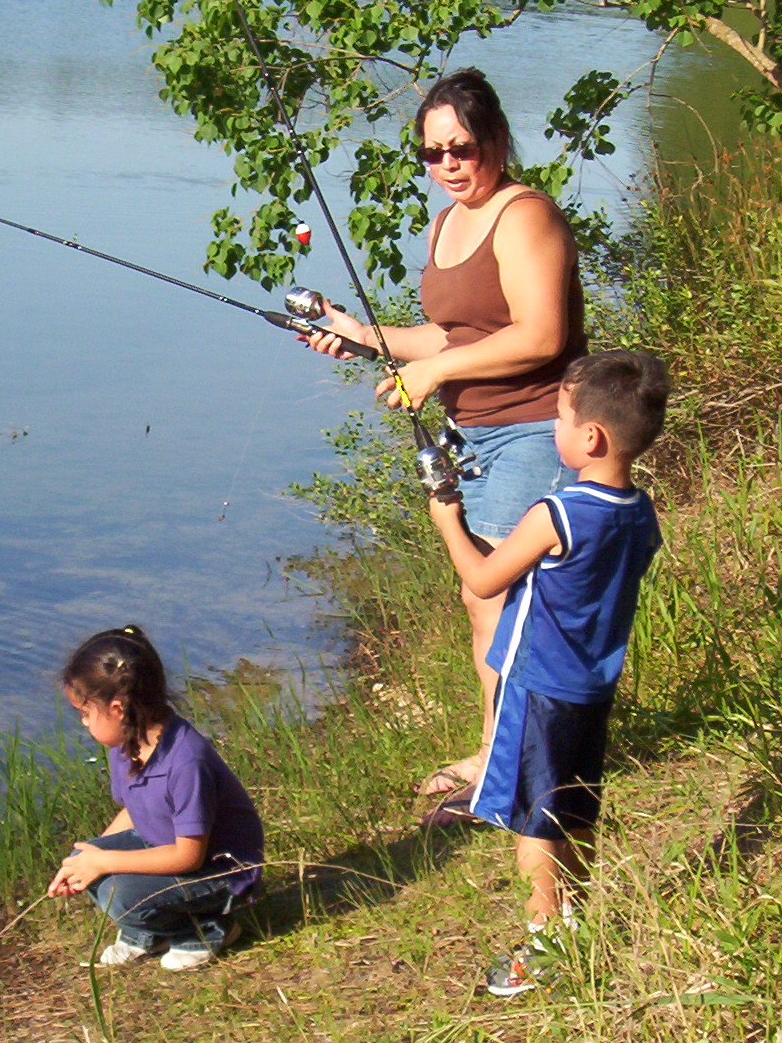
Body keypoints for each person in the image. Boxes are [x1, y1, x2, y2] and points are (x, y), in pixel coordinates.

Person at [307, 67, 587, 809]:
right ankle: (502, 746)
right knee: (482, 596)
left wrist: (433, 376)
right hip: (477, 434)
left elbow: (540, 334)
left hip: (534, 425)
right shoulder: (448, 221)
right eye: (432, 154)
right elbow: (450, 331)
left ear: (495, 139)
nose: (448, 165)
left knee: (491, 591)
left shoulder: (524, 215)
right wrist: (368, 337)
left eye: (461, 147)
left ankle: (511, 764)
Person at [425, 350, 668, 995]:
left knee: (534, 822)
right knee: (576, 808)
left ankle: (544, 952)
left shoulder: (555, 514)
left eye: (559, 418)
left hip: (534, 687)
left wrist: (447, 517)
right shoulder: (640, 513)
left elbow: (481, 580)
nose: (553, 429)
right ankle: (574, 927)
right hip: (593, 688)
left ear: (591, 437)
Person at [46, 625, 263, 971]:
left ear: (117, 709)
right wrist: (92, 855)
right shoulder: (127, 743)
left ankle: (207, 929)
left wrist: (106, 863)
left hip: (218, 871)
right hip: (164, 846)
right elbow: (133, 812)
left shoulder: (186, 761)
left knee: (121, 893)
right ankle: (146, 933)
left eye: (86, 714)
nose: (84, 724)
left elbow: (188, 856)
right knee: (83, 856)